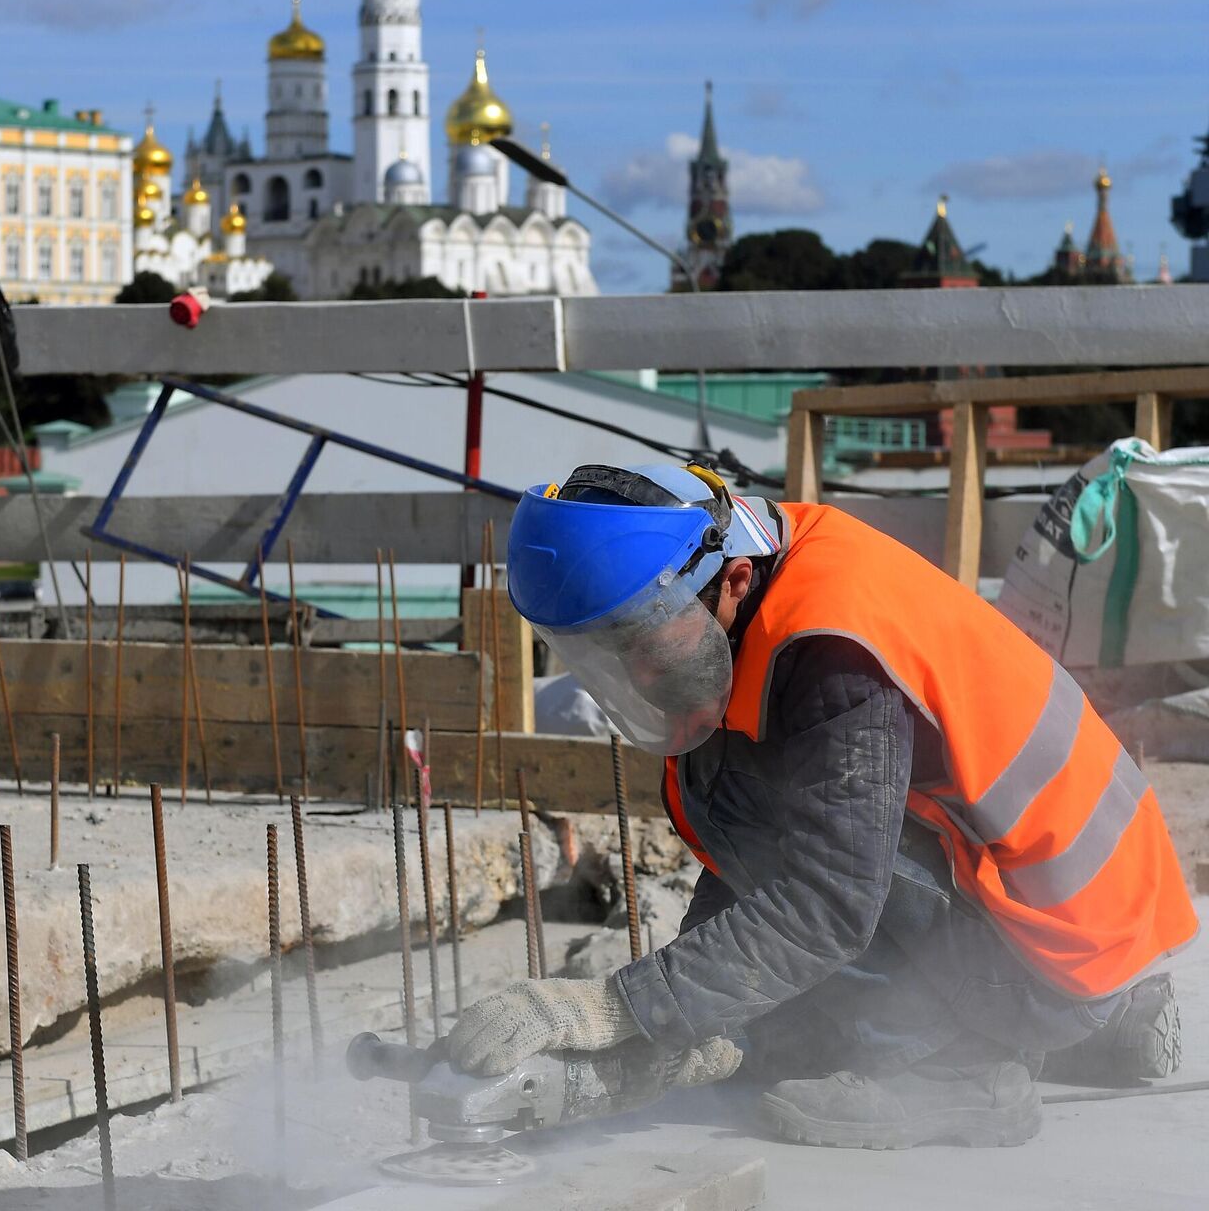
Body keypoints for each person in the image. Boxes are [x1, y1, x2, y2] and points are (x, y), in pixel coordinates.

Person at [447, 463, 1196, 1149]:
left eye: (641, 639)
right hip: (1067, 928)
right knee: (765, 957)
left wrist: (620, 1008)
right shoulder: (753, 588)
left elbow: (831, 899)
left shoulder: (832, 651)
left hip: (1065, 949)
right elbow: (745, 858)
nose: (633, 671)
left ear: (732, 579)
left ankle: (961, 1076)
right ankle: (1094, 1026)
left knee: (813, 955)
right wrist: (691, 1015)